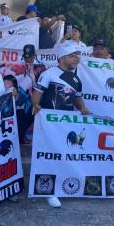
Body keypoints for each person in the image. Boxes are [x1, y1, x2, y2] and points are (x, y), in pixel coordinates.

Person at [32, 45, 90, 208]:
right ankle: (48, 191)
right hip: (48, 124)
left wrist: (83, 109)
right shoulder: (48, 74)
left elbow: (78, 100)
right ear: (62, 57)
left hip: (65, 125)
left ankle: (62, 185)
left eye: (77, 56)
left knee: (64, 154)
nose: (76, 58)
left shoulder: (77, 80)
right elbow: (36, 96)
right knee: (48, 156)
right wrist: (35, 105)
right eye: (73, 56)